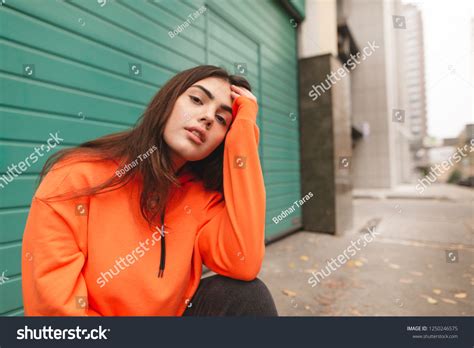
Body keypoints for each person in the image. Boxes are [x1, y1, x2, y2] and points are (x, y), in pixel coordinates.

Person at [21, 65, 278, 316]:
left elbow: (244, 262)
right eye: (197, 100)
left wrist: (243, 129)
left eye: (223, 119)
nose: (208, 117)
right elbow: (54, 310)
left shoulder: (201, 198)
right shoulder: (76, 175)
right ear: (167, 101)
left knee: (246, 297)